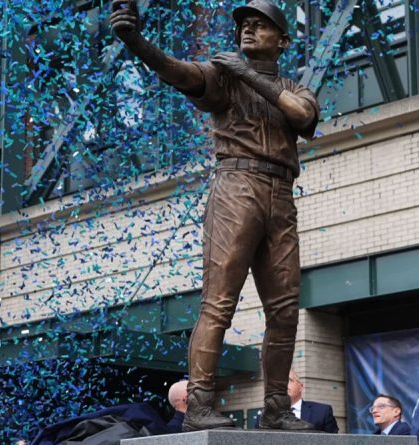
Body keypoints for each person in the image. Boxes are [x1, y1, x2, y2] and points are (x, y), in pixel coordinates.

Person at [110, 0, 319, 432]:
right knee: (219, 301)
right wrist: (136, 41)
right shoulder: (221, 76)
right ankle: (200, 402)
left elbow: (301, 117)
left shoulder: (294, 88)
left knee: (284, 310)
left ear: (282, 40)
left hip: (281, 192)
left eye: (259, 26)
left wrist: (245, 73)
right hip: (236, 187)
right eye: (243, 25)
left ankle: (277, 407)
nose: (247, 31)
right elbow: (175, 70)